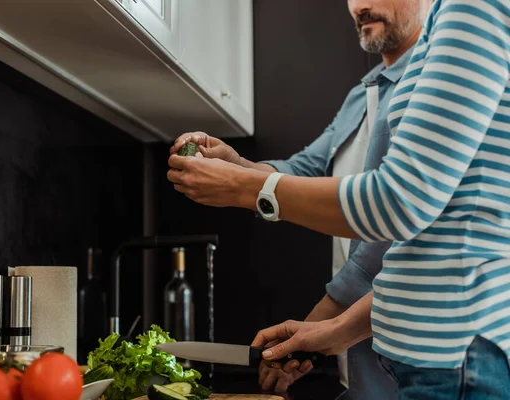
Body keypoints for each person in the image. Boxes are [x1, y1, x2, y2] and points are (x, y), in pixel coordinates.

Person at [168, 0, 510, 398]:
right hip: (421, 350)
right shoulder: (373, 89)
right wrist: (240, 167)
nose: (360, 4)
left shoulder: (470, 10)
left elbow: (396, 206)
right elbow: (418, 238)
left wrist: (244, 188)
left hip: (453, 352)